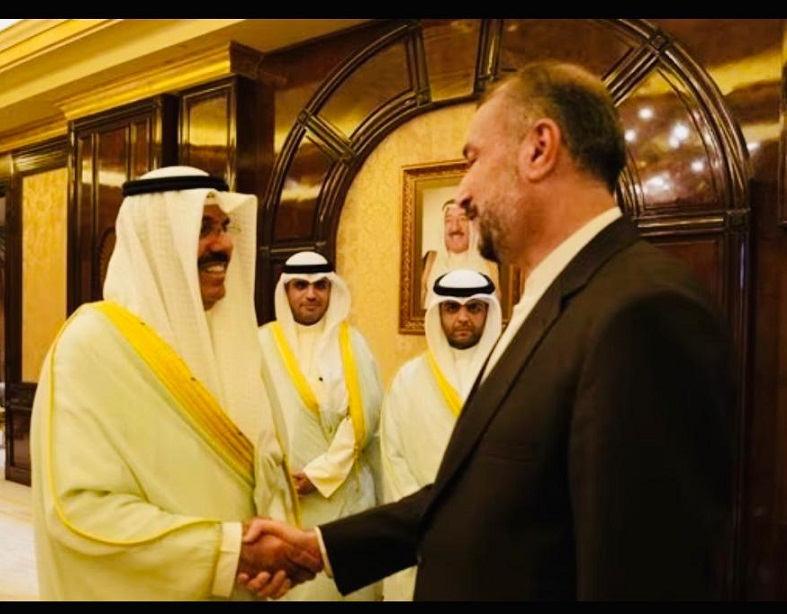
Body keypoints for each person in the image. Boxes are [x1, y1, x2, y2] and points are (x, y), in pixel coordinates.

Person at [240, 60, 735, 600]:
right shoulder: (553, 299)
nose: (463, 194)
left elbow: (644, 574)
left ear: (539, 149)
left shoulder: (642, 310)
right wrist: (320, 547)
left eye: (472, 160)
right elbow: (479, 497)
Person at [30, 165, 315, 600]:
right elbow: (77, 510)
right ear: (158, 242)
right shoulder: (91, 345)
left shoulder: (236, 341)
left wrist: (275, 550)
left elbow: (265, 465)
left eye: (224, 227)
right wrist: (228, 552)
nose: (223, 244)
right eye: (202, 228)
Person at [256, 250, 384, 601]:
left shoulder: (353, 344)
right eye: (301, 285)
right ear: (286, 290)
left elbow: (364, 417)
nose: (311, 295)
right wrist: (279, 474)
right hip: (280, 493)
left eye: (320, 286)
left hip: (343, 497)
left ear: (332, 290)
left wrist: (320, 474)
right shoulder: (261, 343)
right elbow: (250, 413)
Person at [378, 268, 501, 601]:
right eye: (452, 307)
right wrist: (428, 522)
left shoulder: (509, 375)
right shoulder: (407, 380)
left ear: (489, 312)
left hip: (490, 534)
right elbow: (392, 459)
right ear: (437, 312)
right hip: (421, 536)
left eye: (474, 308)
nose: (463, 318)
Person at [419, 198, 501, 309]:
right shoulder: (428, 261)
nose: (455, 227)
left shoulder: (492, 263)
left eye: (462, 219)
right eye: (448, 220)